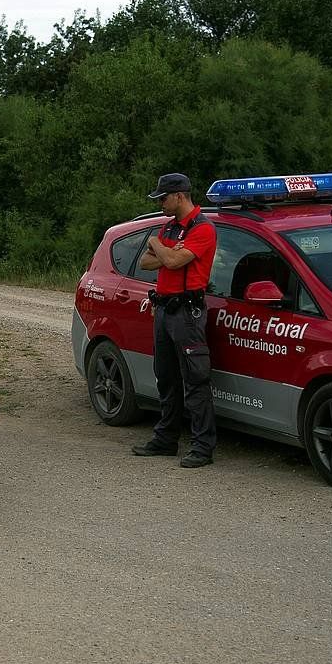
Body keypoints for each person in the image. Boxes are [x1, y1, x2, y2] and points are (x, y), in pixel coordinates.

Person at [131, 173, 218, 468]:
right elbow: (146, 262)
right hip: (164, 310)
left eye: (163, 198)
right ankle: (166, 439)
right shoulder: (170, 226)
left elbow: (170, 262)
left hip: (187, 313)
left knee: (195, 379)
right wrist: (167, 250)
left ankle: (202, 446)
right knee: (166, 377)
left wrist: (158, 244)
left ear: (179, 195)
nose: (160, 204)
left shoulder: (203, 228)